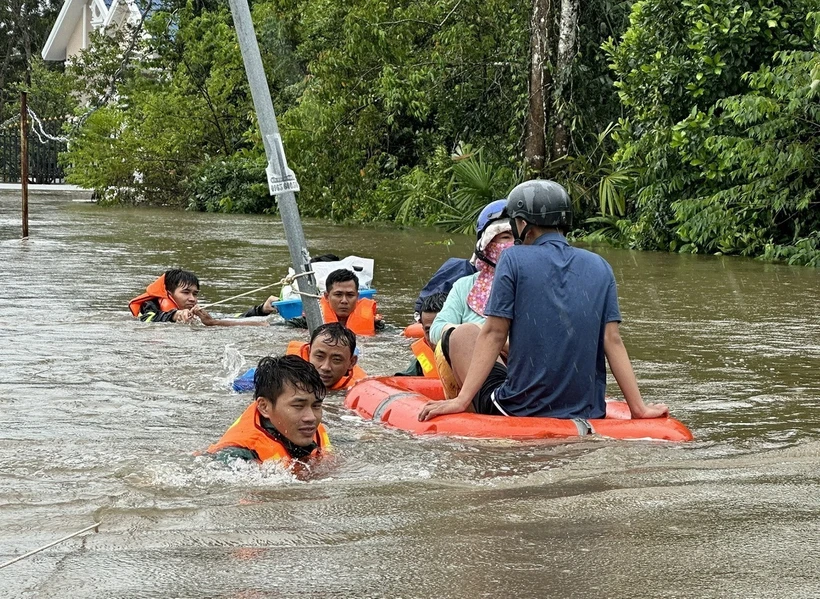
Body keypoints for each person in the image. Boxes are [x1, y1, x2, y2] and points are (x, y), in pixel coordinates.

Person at [419, 179, 668, 422]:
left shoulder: (513, 259)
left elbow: (494, 333)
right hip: (589, 409)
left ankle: (474, 406)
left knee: (464, 334)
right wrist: (639, 408)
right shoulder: (601, 266)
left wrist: (461, 401)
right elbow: (612, 341)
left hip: (520, 409)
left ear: (523, 223)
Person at [427, 199, 513, 397]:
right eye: (505, 237)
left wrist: (504, 343)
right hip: (474, 369)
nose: (511, 245)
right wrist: (481, 337)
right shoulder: (465, 286)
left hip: (521, 369)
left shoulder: (533, 285)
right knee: (456, 337)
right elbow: (437, 328)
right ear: (487, 243)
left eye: (516, 238)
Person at [208, 355, 331, 469]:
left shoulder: (303, 426)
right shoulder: (237, 457)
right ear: (264, 407)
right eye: (298, 406)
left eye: (316, 405)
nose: (311, 418)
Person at [232, 323, 367, 392]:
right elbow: (236, 386)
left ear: (351, 362)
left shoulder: (360, 386)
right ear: (308, 353)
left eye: (336, 360)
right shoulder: (281, 374)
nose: (326, 367)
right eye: (319, 356)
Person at [129, 269, 275, 325]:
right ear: (169, 293)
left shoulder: (197, 314)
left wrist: (262, 309)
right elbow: (146, 319)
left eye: (195, 294)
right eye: (186, 292)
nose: (192, 299)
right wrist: (175, 315)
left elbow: (233, 317)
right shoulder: (149, 305)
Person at [395, 292, 447, 377]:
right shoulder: (422, 361)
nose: (435, 337)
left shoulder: (474, 354)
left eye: (440, 330)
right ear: (422, 329)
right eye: (428, 331)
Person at [318, 269, 384, 336]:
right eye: (338, 295)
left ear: (357, 296)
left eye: (350, 295)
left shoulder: (375, 323)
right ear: (326, 296)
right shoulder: (311, 320)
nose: (344, 301)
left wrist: (375, 324)